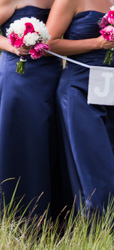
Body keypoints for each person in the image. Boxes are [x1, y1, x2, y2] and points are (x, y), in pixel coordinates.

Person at [47, 0, 114, 218]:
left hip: (107, 88)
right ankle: (95, 229)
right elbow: (48, 44)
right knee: (94, 164)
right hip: (78, 89)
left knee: (112, 160)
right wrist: (96, 43)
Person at [0, 0, 61, 220]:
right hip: (20, 75)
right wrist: (12, 46)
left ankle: (53, 212)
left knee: (47, 139)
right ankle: (14, 209)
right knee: (20, 139)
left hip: (52, 75)